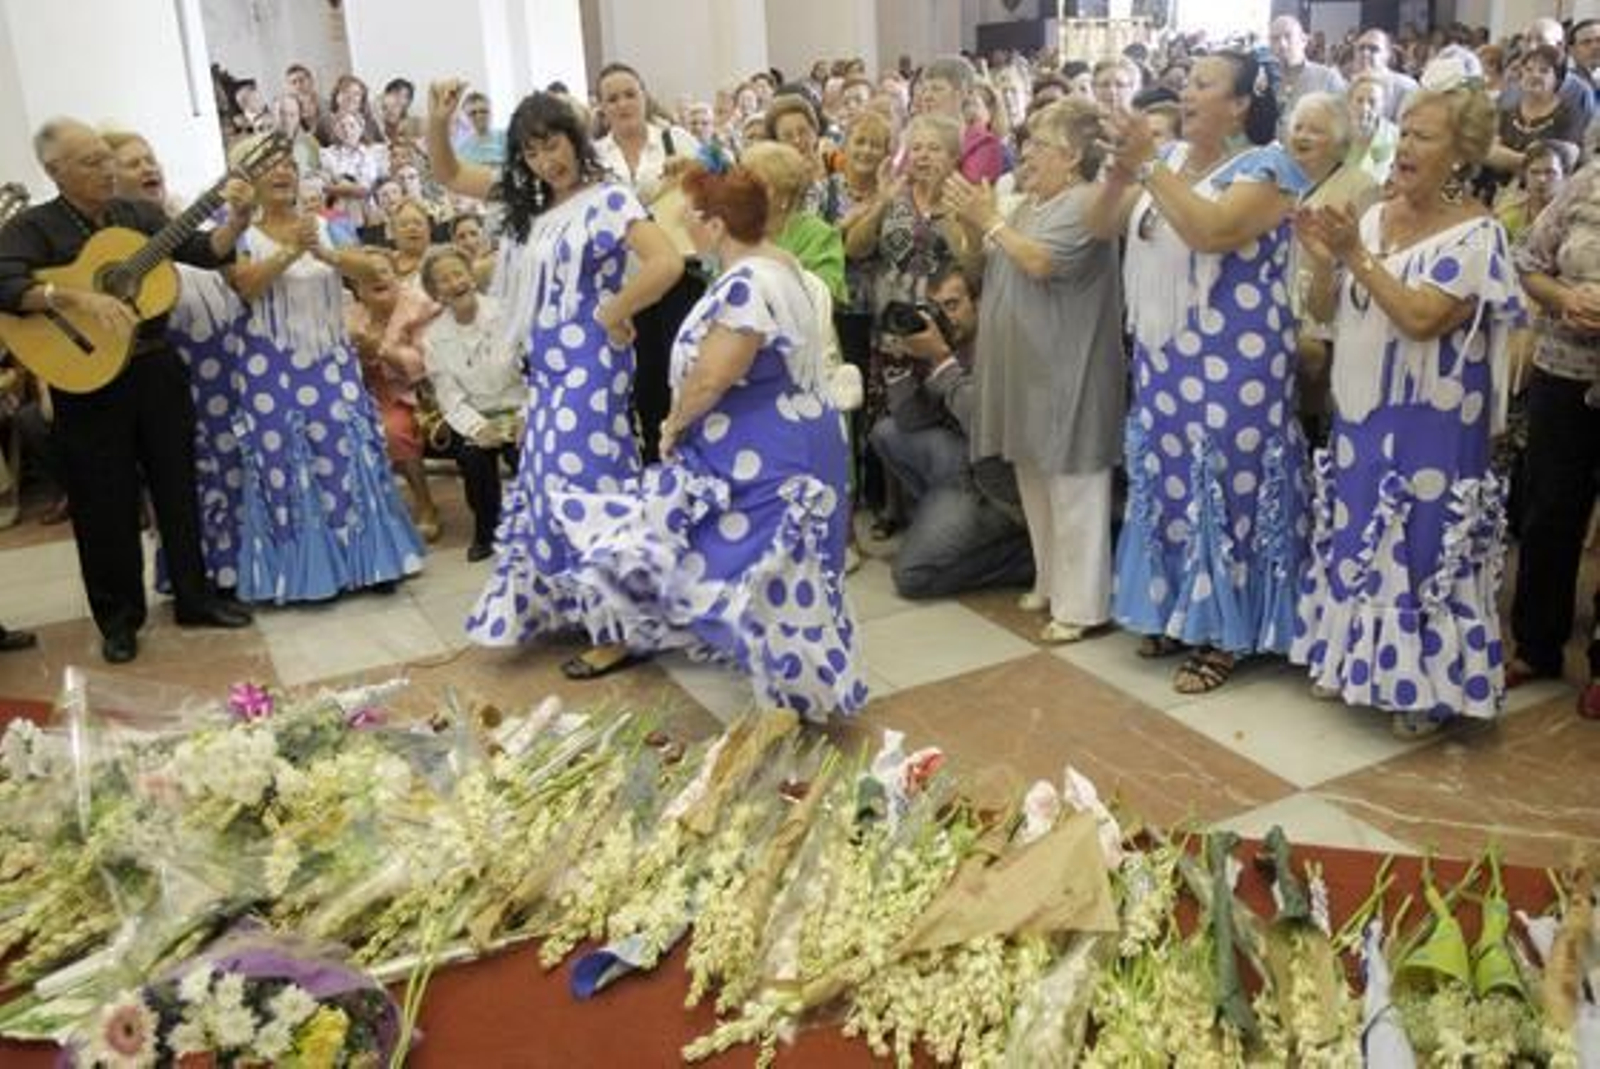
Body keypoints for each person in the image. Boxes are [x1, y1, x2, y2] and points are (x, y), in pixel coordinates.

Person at [538, 165, 866, 718]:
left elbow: (714, 375)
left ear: (716, 224)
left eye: (691, 215)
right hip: (786, 438)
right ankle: (792, 693)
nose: (684, 225)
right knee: (775, 573)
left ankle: (792, 700)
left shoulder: (746, 284)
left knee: (754, 567)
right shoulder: (779, 265)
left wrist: (672, 424)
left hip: (764, 454)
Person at [1293, 84, 1524, 736]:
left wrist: (1353, 258)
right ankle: (1351, 660)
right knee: (1359, 531)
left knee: (1422, 543)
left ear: (1462, 154)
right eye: (1405, 130)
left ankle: (1423, 687)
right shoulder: (1371, 218)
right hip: (1365, 412)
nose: (1406, 146)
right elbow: (1325, 310)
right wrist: (1321, 264)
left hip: (1433, 424)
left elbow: (1421, 318)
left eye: (1424, 135)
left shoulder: (1478, 235)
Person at [425, 84, 683, 665]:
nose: (548, 160)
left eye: (554, 144)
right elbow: (447, 173)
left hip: (593, 360)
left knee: (584, 480)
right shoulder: (531, 200)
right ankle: (578, 607)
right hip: (547, 364)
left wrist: (613, 311)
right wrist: (437, 121)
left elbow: (665, 262)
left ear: (574, 137)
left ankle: (620, 628)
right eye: (534, 152)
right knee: (546, 478)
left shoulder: (609, 198)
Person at [1091, 52, 1311, 694]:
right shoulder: (1176, 165)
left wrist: (1150, 165)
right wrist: (1118, 176)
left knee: (1231, 482)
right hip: (1168, 356)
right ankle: (1178, 610)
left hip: (1240, 360)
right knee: (1172, 474)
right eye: (1185, 81)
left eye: (1203, 84)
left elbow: (1212, 231)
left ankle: (1229, 632)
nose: (1186, 92)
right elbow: (1101, 226)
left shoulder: (1271, 169)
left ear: (1241, 104)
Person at [0, 120, 254, 662]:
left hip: (155, 368)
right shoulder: (32, 227)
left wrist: (238, 217)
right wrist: (72, 299)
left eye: (105, 157)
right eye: (91, 162)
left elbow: (205, 250)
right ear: (55, 171)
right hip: (86, 381)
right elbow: (5, 285)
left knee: (178, 489)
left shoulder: (137, 216)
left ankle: (195, 597)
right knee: (102, 505)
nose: (107, 169)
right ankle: (119, 620)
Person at [946, 98, 1124, 641]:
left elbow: (1040, 263)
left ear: (1070, 157)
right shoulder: (1026, 204)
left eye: (1039, 146)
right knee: (1035, 478)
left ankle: (1082, 605)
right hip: (1027, 371)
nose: (1026, 155)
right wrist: (973, 225)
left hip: (1069, 369)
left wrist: (991, 221)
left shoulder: (1087, 203)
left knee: (1074, 488)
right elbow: (989, 261)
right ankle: (1050, 580)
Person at [225, 145, 424, 604]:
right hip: (268, 366)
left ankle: (371, 561)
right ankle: (301, 573)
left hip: (330, 359)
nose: (281, 173)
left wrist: (327, 254)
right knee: (283, 461)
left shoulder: (325, 225)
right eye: (268, 168)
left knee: (347, 449)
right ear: (248, 179)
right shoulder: (241, 232)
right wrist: (291, 252)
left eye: (288, 166)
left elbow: (375, 266)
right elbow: (246, 286)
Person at [105, 130, 250, 593]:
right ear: (110, 179)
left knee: (238, 462)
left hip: (228, 358)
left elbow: (218, 257)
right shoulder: (111, 243)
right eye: (133, 163)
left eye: (151, 159)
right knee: (193, 472)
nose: (149, 168)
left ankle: (249, 563)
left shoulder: (182, 217)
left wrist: (240, 215)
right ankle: (204, 573)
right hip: (178, 367)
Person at [844, 112, 970, 535]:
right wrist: (880, 202)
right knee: (892, 417)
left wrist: (955, 216)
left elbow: (974, 265)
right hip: (891, 325)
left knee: (937, 412)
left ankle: (936, 507)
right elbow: (856, 248)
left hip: (941, 326)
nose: (923, 155)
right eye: (916, 147)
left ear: (953, 156)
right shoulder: (894, 196)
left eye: (934, 148)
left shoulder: (964, 201)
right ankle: (893, 508)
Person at [1508, 145, 1600, 720]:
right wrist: (1567, 297)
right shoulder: (1588, 181)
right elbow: (1529, 259)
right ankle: (1536, 645)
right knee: (1549, 511)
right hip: (1564, 374)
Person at [592, 62, 702, 464]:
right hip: (626, 285)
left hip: (681, 276)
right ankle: (655, 466)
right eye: (612, 98)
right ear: (601, 107)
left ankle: (694, 460)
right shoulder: (594, 158)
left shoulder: (678, 140)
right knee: (645, 379)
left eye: (629, 94)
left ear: (644, 94)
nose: (623, 104)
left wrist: (691, 176)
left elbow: (713, 193)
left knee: (685, 369)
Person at [1285, 94, 1381, 447]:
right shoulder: (1277, 177)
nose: (1303, 136)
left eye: (1315, 130)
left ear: (1340, 140)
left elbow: (1364, 258)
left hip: (1330, 317)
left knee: (1313, 418)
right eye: (1298, 127)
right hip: (1282, 307)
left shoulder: (1362, 186)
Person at [420, 247, 523, 562]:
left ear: (471, 277)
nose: (454, 283)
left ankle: (536, 525)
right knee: (473, 458)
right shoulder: (434, 336)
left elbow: (536, 371)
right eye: (443, 280)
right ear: (435, 292)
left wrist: (527, 416)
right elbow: (448, 395)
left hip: (520, 408)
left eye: (458, 274)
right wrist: (478, 427)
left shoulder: (507, 314)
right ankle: (486, 529)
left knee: (525, 453)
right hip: (476, 415)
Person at [346, 248, 442, 541]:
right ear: (357, 287)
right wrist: (357, 354)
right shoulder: (350, 314)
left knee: (392, 429)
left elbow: (427, 360)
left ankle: (426, 506)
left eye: (383, 271)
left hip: (413, 392)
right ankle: (368, 514)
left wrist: (382, 350)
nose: (377, 277)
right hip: (362, 392)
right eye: (367, 274)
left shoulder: (419, 306)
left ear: (396, 277)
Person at [739, 142, 845, 302]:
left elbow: (824, 293)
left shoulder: (819, 234)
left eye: (758, 185)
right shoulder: (739, 229)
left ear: (785, 196)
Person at [1484, 46, 1585, 198]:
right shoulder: (1507, 111)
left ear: (1558, 78)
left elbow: (1568, 159)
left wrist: (1508, 159)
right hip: (1499, 194)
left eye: (1544, 71)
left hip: (1547, 199)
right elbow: (1489, 152)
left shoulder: (1570, 114)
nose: (1534, 75)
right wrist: (1533, 161)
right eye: (1528, 69)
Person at [1270, 15, 1347, 138]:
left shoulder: (1327, 78)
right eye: (1275, 39)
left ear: (1304, 40)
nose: (1282, 44)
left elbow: (1344, 123)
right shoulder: (1264, 81)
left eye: (1288, 36)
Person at [1353, 29, 1420, 122]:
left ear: (1388, 54)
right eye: (1361, 48)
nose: (1365, 53)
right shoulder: (1349, 87)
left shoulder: (1406, 87)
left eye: (1373, 49)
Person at [1346, 73, 1398, 186]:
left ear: (1383, 105)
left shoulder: (1396, 137)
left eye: (1372, 102)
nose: (1365, 108)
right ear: (1349, 103)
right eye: (1359, 100)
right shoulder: (1335, 134)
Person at [456, 91, 505, 167]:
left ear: (491, 113)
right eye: (473, 113)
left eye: (483, 111)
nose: (479, 116)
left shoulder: (505, 138)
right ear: (466, 117)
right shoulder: (462, 149)